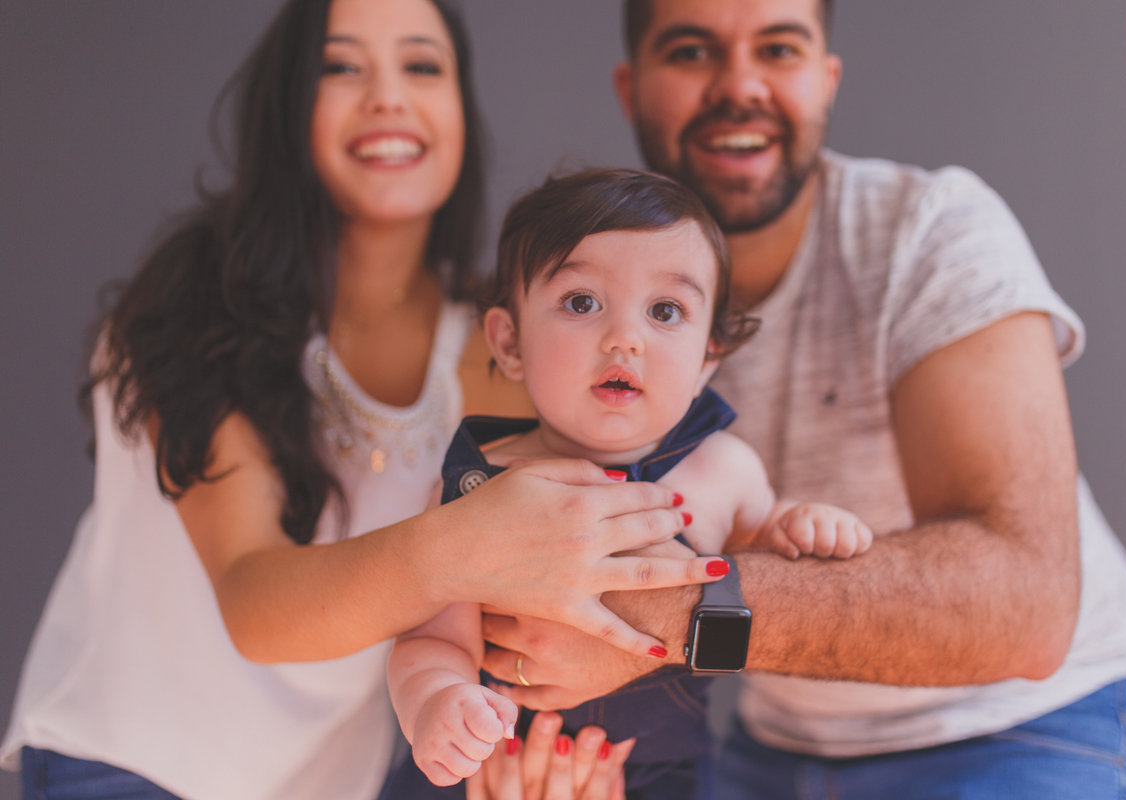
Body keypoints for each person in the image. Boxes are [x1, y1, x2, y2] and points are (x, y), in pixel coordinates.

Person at [0, 2, 730, 799]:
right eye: (342, 66)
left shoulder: (515, 352)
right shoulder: (189, 312)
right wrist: (465, 541)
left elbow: (513, 615)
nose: (388, 97)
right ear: (288, 107)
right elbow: (256, 601)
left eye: (421, 66)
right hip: (129, 768)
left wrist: (523, 754)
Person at [475, 1, 1126, 798]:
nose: (740, 86)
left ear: (826, 81)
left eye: (779, 48)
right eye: (692, 51)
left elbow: (1027, 605)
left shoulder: (928, 232)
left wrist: (652, 623)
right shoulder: (575, 283)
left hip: (1022, 724)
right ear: (632, 88)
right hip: (769, 740)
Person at [387, 169, 873, 799]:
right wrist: (438, 703)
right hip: (493, 764)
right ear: (509, 342)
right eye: (581, 302)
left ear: (707, 359)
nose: (625, 338)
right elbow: (427, 640)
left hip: (661, 774)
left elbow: (765, 564)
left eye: (666, 311)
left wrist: (800, 522)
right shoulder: (478, 489)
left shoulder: (724, 471)